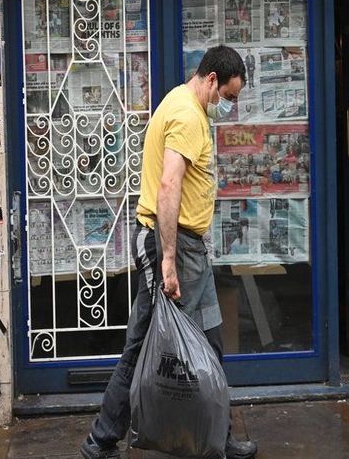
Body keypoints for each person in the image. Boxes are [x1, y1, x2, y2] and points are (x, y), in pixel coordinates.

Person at [81, 45, 258, 459]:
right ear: (212, 79)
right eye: (228, 97)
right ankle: (101, 440)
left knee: (211, 343)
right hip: (173, 248)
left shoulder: (181, 102)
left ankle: (219, 435)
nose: (229, 106)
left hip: (189, 248)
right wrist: (167, 259)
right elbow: (168, 186)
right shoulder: (186, 117)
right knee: (143, 344)